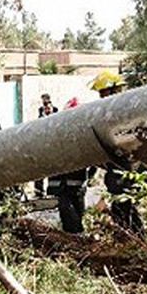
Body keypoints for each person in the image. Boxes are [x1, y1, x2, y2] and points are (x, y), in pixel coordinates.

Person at [90, 71, 144, 235]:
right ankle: (134, 239)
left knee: (122, 204)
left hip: (125, 167)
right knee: (120, 205)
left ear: (112, 90)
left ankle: (135, 239)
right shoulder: (110, 112)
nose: (101, 96)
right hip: (119, 167)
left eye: (102, 92)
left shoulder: (122, 111)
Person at [47, 99, 90, 234]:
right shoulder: (57, 132)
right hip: (63, 186)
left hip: (74, 185)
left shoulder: (82, 134)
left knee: (76, 217)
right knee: (70, 218)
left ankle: (77, 241)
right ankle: (75, 239)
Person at [34, 93, 59, 195]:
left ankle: (52, 190)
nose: (46, 106)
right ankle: (39, 190)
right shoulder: (41, 113)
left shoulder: (56, 112)